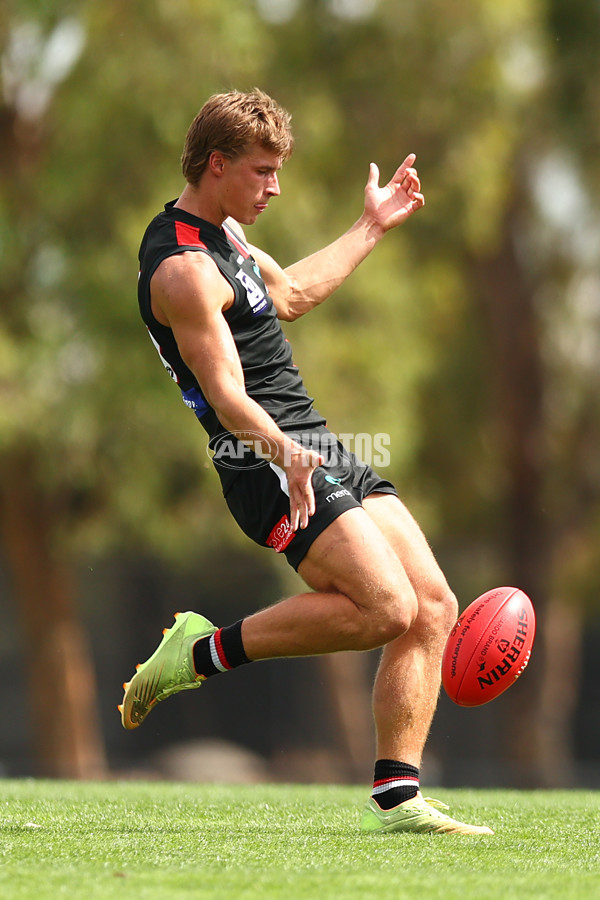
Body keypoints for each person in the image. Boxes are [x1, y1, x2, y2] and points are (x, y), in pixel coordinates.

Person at [120, 89, 493, 836]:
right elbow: (226, 395)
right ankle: (200, 654)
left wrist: (370, 225)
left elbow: (291, 294)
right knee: (387, 609)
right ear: (216, 164)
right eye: (262, 171)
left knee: (434, 606)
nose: (275, 186)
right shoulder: (184, 268)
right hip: (263, 458)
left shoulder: (225, 241)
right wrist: (287, 453)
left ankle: (399, 798)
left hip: (315, 443)